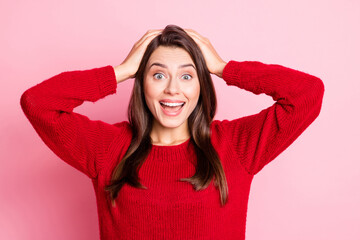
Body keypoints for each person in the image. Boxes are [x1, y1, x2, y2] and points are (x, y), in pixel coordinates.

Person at [20, 25, 324, 239]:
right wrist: (122, 70)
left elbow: (307, 94)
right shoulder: (106, 148)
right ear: (142, 82)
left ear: (201, 85)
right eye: (158, 74)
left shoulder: (236, 145)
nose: (173, 89)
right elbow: (38, 103)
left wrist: (222, 67)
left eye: (187, 75)